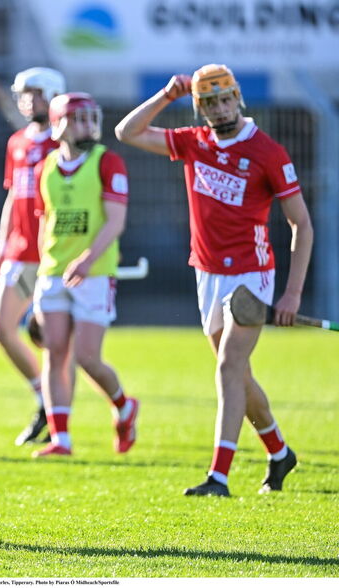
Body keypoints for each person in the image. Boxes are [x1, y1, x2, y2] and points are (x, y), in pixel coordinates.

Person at [115, 64, 311, 496]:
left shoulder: (268, 151)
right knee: (237, 375)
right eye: (209, 102)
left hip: (251, 275)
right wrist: (168, 95)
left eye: (225, 100)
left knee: (228, 366)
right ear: (200, 107)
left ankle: (218, 477)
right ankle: (279, 453)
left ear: (237, 98)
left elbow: (301, 224)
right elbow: (126, 132)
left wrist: (292, 293)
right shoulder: (194, 142)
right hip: (207, 274)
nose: (220, 109)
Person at [31, 93, 139, 459]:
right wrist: (43, 267)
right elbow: (45, 221)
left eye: (92, 119)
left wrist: (87, 259)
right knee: (54, 353)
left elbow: (116, 221)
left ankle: (124, 406)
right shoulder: (44, 167)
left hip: (94, 273)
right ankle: (61, 438)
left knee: (87, 357)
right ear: (58, 124)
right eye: (78, 119)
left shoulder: (108, 162)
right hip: (53, 272)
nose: (88, 126)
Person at [0, 67, 65, 446]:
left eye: (36, 92)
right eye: (23, 93)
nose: (28, 100)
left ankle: (61, 417)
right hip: (19, 251)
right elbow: (13, 197)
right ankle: (44, 400)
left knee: (53, 340)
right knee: (0, 328)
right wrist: (1, 248)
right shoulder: (17, 142)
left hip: (49, 255)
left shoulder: (63, 142)